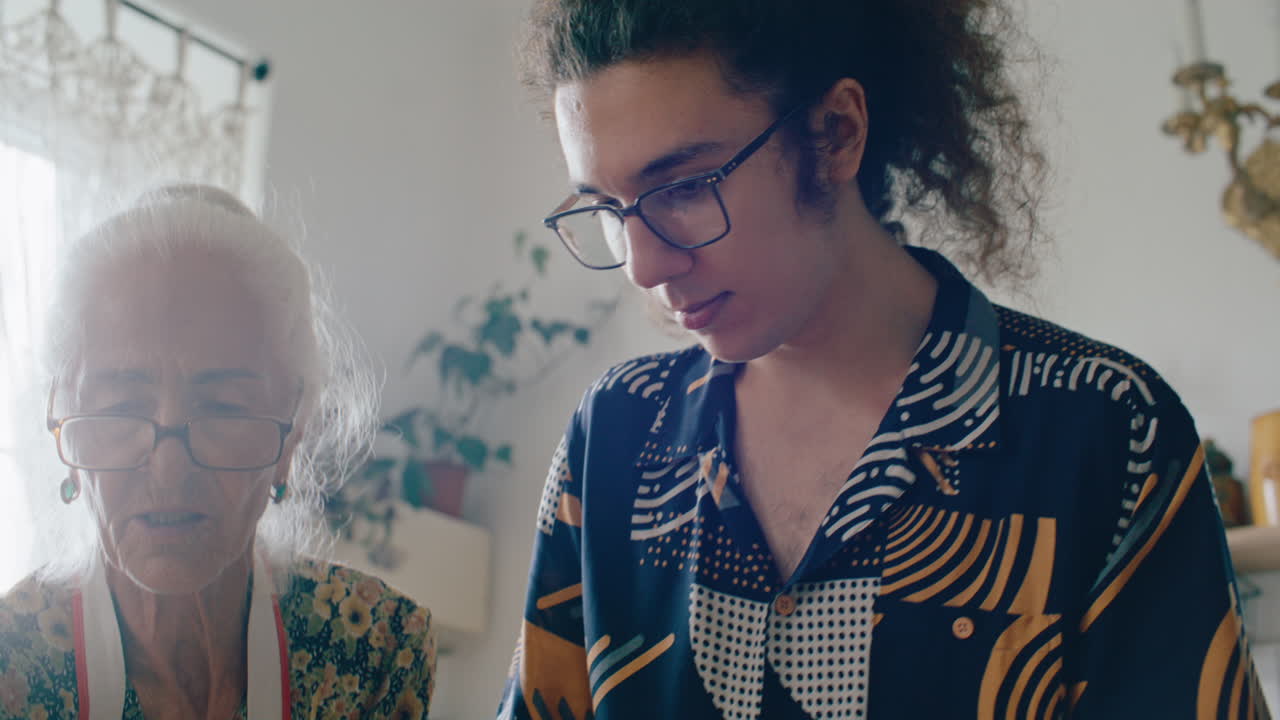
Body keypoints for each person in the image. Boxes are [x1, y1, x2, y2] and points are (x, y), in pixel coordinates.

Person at [499, 1, 1269, 718]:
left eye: (685, 188)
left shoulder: (1107, 427)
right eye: (607, 208)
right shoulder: (615, 437)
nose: (643, 266)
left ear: (835, 134)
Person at [0, 185, 435, 719]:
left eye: (224, 407)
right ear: (61, 430)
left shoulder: (372, 649)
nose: (169, 468)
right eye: (120, 405)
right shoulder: (12, 668)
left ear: (291, 433)